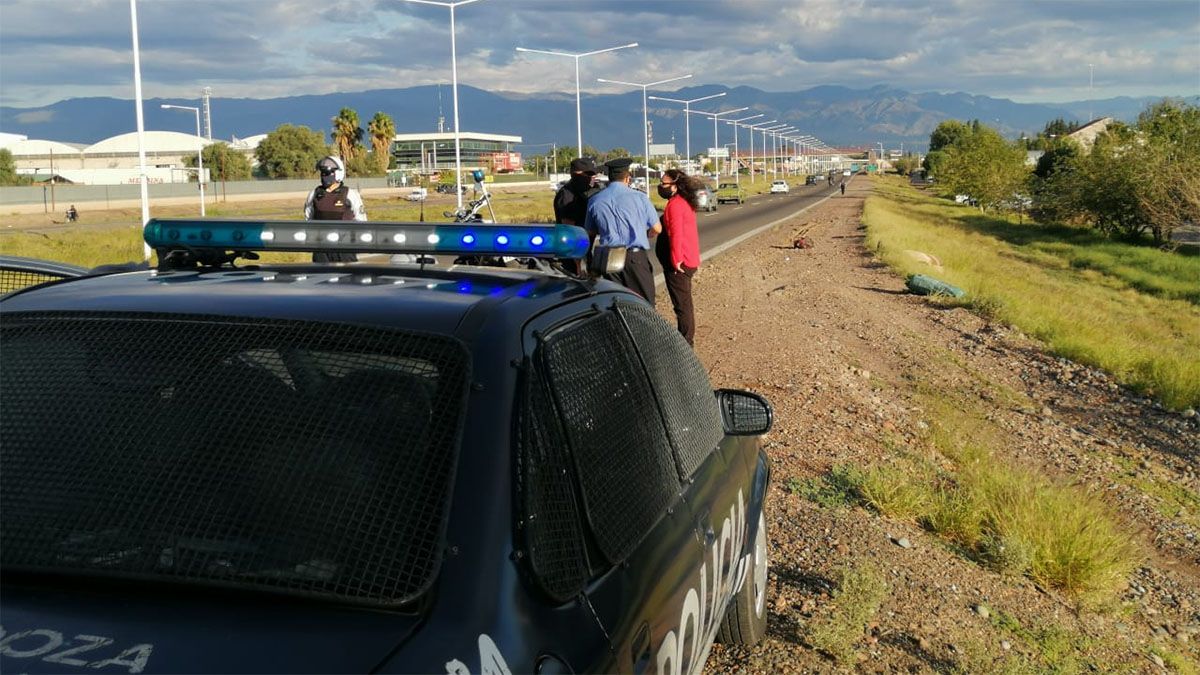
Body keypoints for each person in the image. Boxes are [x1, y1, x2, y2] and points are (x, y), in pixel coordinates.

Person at [583, 157, 661, 303]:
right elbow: (657, 228)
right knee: (644, 304)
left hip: (608, 258)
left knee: (615, 303)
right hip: (634, 258)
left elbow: (590, 235)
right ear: (627, 178)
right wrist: (646, 234)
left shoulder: (595, 200)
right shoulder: (640, 197)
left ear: (609, 178)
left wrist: (589, 261)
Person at [655, 169, 703, 346]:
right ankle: (685, 338)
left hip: (680, 263)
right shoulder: (681, 202)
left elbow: (677, 234)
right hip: (686, 259)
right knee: (683, 303)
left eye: (664, 184)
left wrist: (676, 260)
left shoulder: (675, 205)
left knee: (682, 305)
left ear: (675, 187)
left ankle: (686, 341)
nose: (661, 187)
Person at [304, 155, 365, 263]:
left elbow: (361, 220)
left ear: (338, 173)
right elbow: (308, 219)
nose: (324, 176)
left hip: (344, 249)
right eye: (322, 173)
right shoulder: (314, 194)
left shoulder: (350, 194)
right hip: (321, 249)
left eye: (328, 173)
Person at [553, 157, 600, 226]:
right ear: (576, 174)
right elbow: (569, 228)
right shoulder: (567, 195)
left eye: (594, 174)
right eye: (589, 174)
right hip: (577, 236)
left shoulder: (584, 191)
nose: (593, 177)